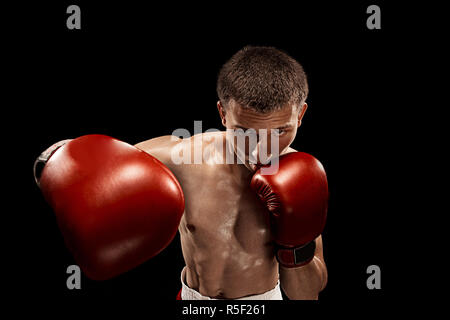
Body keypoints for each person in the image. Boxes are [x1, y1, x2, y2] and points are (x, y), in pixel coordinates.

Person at [35, 46, 328, 300]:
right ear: (223, 114)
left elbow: (306, 293)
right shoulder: (184, 157)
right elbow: (81, 163)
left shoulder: (303, 177)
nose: (262, 148)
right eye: (244, 132)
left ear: (300, 115)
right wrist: (54, 162)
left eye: (280, 131)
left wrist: (296, 247)